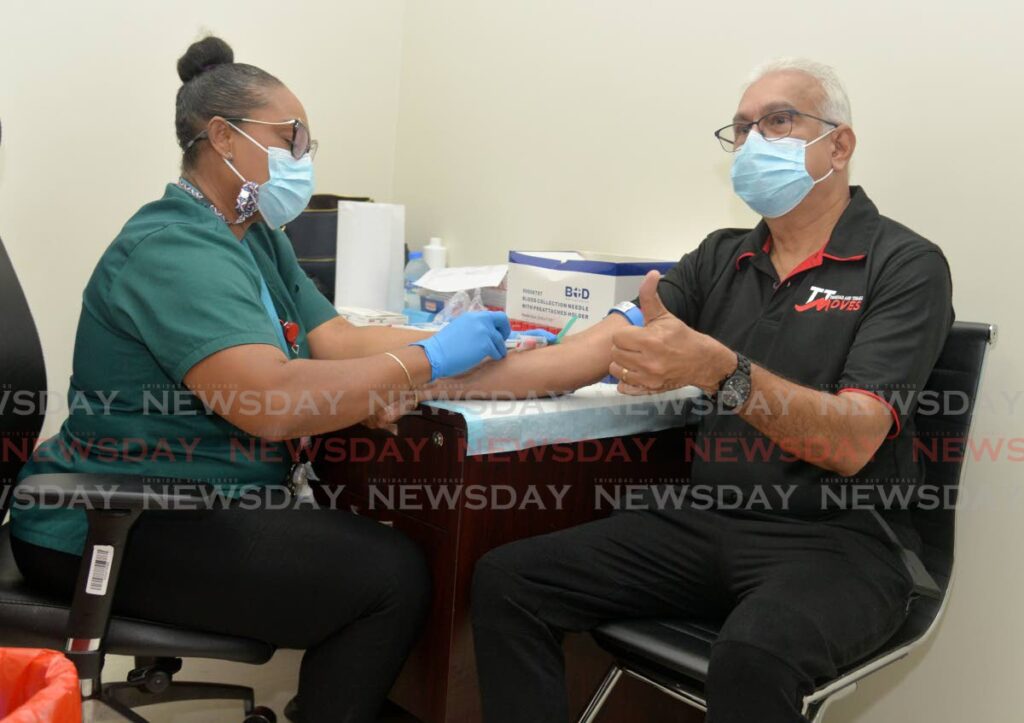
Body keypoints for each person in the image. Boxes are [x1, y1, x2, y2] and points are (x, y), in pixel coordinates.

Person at [374, 58, 954, 722]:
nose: (754, 140)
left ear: (840, 143)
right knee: (509, 582)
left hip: (841, 538)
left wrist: (721, 371)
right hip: (710, 520)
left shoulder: (904, 265)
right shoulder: (721, 256)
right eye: (741, 128)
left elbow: (851, 440)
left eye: (778, 120)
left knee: (755, 653)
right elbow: (583, 357)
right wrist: (421, 378)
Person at [10, 36, 512, 723]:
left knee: (384, 554)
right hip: (108, 519)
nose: (303, 160)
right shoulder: (174, 248)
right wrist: (427, 361)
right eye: (292, 139)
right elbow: (271, 403)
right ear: (223, 137)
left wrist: (451, 339)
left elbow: (334, 339)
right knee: (387, 577)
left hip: (186, 499)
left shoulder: (252, 234)